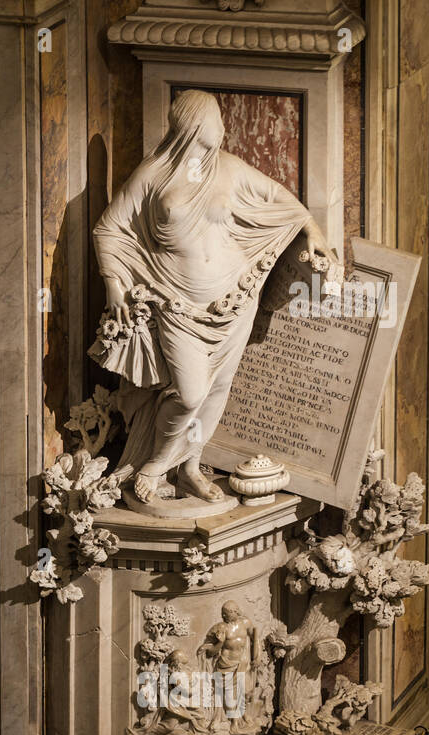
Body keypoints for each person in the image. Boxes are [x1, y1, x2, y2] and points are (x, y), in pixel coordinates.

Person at [91, 89, 336, 504]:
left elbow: (281, 200)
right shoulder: (153, 174)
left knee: (219, 388)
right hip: (176, 301)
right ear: (192, 124)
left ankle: (188, 468)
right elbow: (108, 229)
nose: (221, 127)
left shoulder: (230, 169)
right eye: (214, 120)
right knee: (188, 393)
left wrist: (314, 233)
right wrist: (113, 282)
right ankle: (154, 465)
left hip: (234, 298)